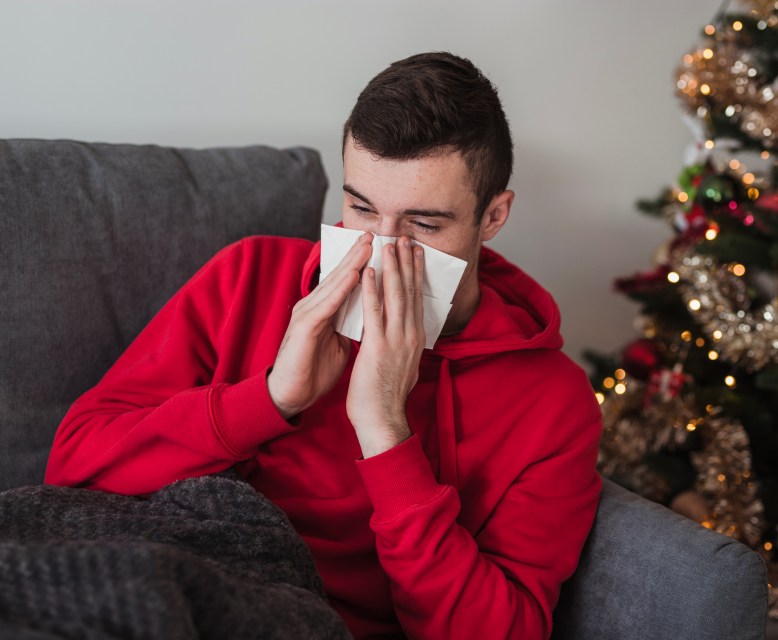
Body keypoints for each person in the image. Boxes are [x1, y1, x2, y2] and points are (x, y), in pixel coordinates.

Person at [46, 52, 602, 639]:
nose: (382, 249)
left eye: (424, 225)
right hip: (164, 580)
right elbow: (73, 467)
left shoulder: (553, 402)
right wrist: (268, 400)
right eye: (361, 208)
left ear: (493, 216)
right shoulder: (247, 277)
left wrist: (386, 432)